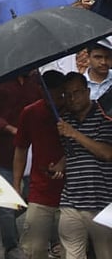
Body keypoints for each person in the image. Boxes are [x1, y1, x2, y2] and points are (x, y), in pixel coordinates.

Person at [56, 71, 112, 259]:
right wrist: (59, 165)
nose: (72, 99)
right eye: (67, 94)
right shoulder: (65, 121)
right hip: (71, 201)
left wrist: (74, 134)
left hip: (102, 203)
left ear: (88, 92)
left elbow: (106, 153)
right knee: (73, 255)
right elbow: (72, 155)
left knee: (105, 253)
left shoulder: (104, 116)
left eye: (77, 92)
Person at [13, 71, 66, 259]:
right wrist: (16, 184)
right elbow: (21, 149)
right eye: (50, 94)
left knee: (70, 249)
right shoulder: (30, 113)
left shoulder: (73, 111)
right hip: (40, 190)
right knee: (34, 249)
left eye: (59, 94)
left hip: (71, 193)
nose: (56, 100)